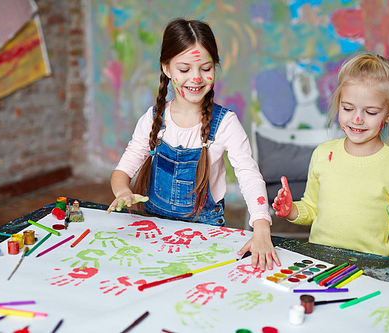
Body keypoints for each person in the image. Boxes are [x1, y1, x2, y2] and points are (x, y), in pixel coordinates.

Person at [107, 18, 280, 270]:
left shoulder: (226, 124)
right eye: (184, 70)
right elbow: (123, 169)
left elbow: (249, 176)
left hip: (205, 231)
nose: (196, 78)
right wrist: (123, 191)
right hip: (154, 226)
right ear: (166, 68)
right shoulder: (153, 118)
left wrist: (262, 228)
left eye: (206, 68)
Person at [272, 53, 389, 257]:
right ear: (339, 104)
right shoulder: (323, 153)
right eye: (348, 108)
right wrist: (291, 210)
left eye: (371, 112)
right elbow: (311, 208)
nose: (357, 119)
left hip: (371, 267)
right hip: (321, 259)